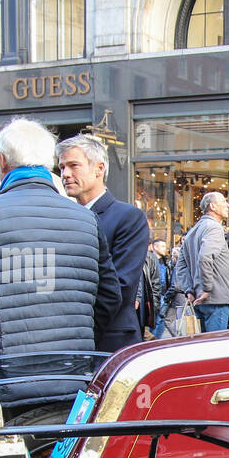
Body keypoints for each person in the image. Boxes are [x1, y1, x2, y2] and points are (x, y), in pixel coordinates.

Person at [0, 119, 121, 408]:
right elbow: (110, 295)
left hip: (6, 381)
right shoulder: (86, 218)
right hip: (74, 377)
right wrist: (77, 338)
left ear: (2, 161)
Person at [56, 134, 151, 352]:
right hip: (67, 342)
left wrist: (77, 331)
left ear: (99, 169)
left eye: (73, 165)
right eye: (62, 167)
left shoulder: (128, 217)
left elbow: (120, 288)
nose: (65, 174)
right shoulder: (63, 217)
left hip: (109, 341)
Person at [178, 191, 229, 332]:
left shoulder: (193, 230)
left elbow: (181, 264)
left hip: (201, 298)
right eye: (223, 201)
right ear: (213, 207)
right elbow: (205, 257)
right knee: (216, 346)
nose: (227, 205)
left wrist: (189, 290)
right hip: (215, 298)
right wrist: (206, 288)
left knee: (204, 347)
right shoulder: (214, 228)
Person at [144, 238, 170, 339]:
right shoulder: (149, 259)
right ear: (154, 247)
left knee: (161, 320)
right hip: (154, 294)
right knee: (154, 320)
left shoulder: (166, 261)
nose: (165, 248)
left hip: (163, 294)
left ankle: (155, 340)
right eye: (162, 246)